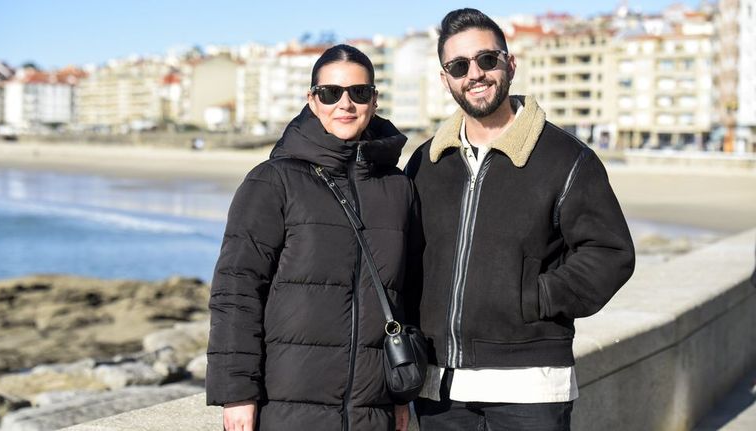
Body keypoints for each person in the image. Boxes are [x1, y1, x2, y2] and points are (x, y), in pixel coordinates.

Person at [404, 9, 636, 431]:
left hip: (530, 389)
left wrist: (534, 297)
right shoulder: (426, 162)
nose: (474, 73)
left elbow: (610, 252)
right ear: (445, 79)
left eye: (486, 60)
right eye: (459, 66)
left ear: (510, 64)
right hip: (439, 389)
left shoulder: (566, 158)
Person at [206, 44, 416, 431]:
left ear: (374, 99)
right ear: (312, 100)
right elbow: (236, 291)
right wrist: (237, 393)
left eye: (359, 92)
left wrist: (400, 395)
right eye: (331, 93)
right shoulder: (273, 181)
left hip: (373, 411)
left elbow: (405, 296)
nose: (345, 103)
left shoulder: (398, 187)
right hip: (287, 409)